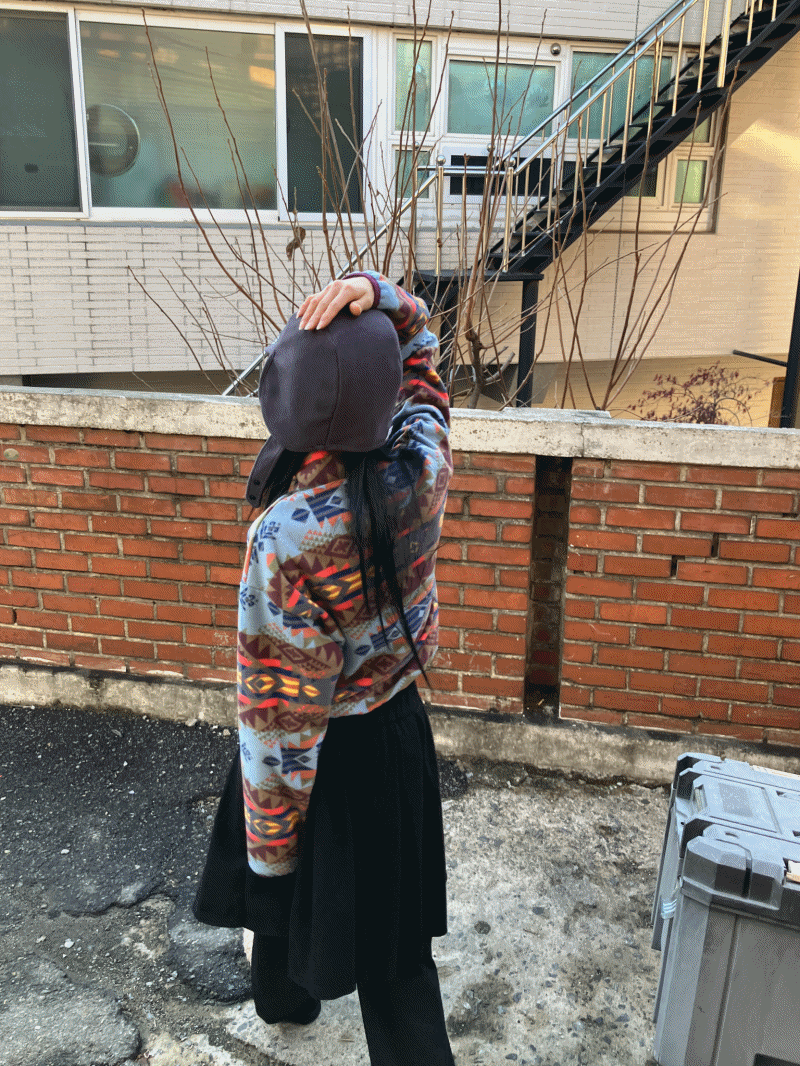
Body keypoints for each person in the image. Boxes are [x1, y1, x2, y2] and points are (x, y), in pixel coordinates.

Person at [193, 272, 456, 1065]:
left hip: (323, 756)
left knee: (285, 878)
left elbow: (280, 718)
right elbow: (424, 355)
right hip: (397, 734)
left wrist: (269, 852)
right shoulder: (421, 464)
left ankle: (283, 995)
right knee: (396, 951)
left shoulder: (286, 534)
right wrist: (380, 296)